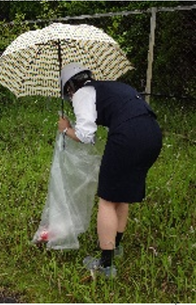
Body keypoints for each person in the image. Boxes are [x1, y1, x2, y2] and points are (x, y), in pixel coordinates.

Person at [58, 63, 162, 277]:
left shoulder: (82, 94)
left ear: (70, 87)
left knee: (107, 199)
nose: (69, 96)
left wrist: (66, 130)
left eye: (67, 91)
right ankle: (117, 245)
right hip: (152, 134)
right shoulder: (110, 87)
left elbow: (86, 136)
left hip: (128, 137)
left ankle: (106, 265)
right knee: (121, 195)